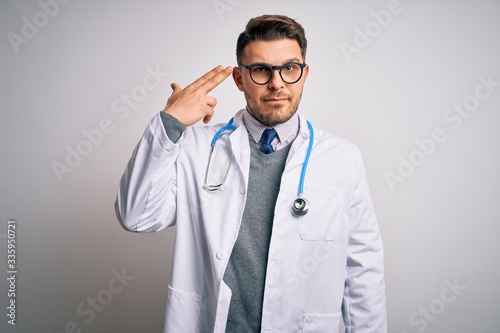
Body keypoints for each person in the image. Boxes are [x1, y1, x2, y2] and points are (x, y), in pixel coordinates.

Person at [115, 14, 387, 333]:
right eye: (261, 70)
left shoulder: (342, 158)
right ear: (239, 79)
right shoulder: (195, 147)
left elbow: (362, 269)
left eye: (289, 68)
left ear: (304, 74)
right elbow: (136, 215)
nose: (277, 82)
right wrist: (169, 124)